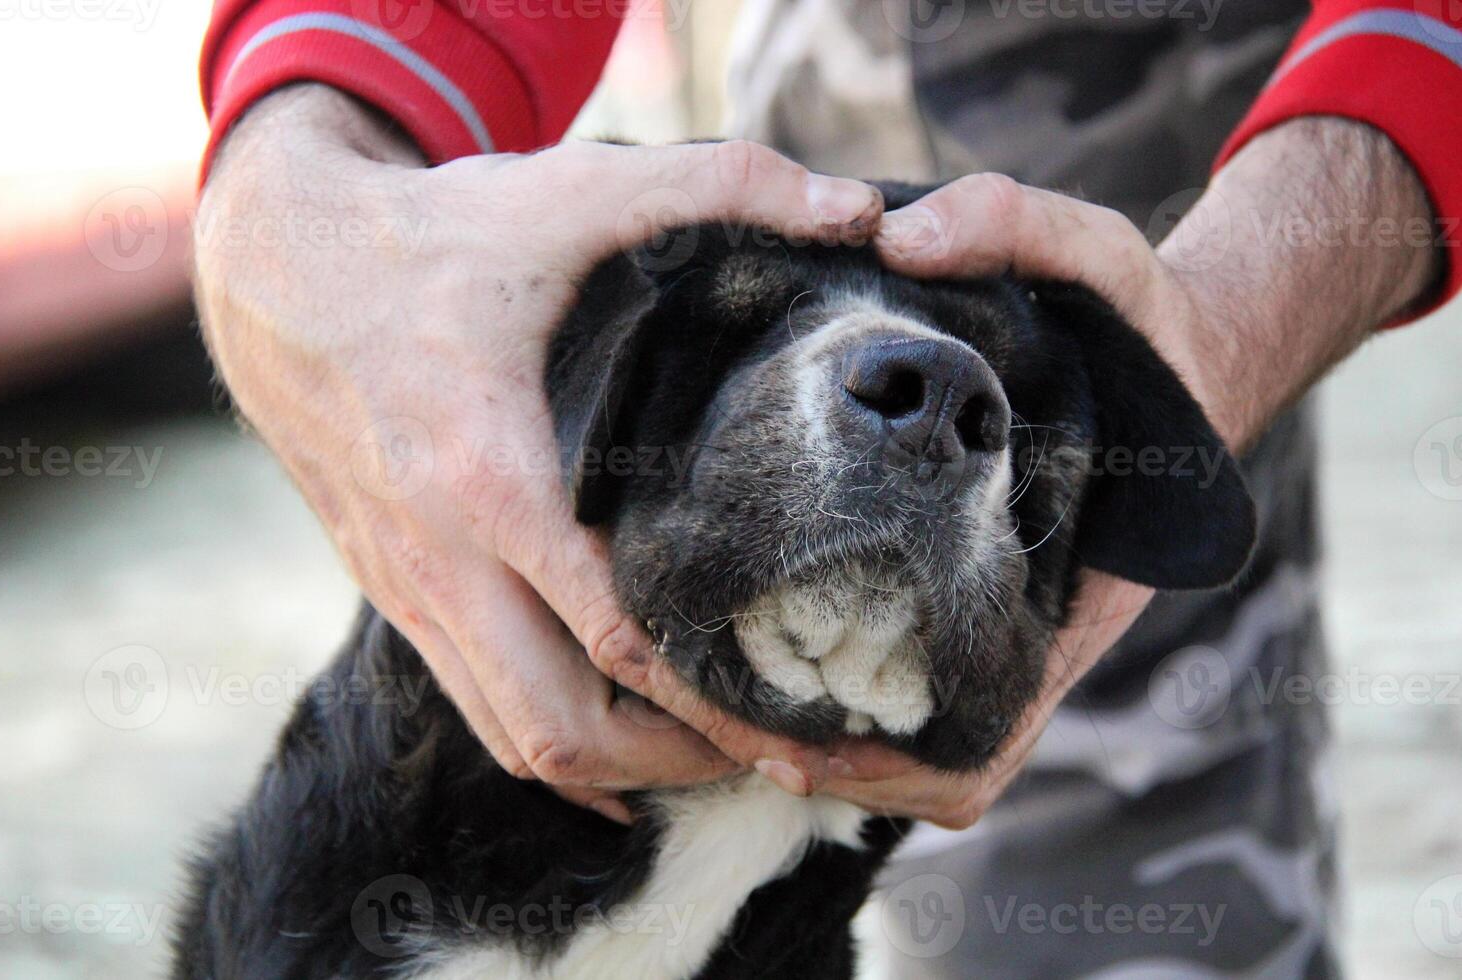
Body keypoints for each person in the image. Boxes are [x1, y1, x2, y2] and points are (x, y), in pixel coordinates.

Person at [194, 0, 1457, 973]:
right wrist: (300, 170)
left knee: (1124, 822)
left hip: (1173, 91)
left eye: (989, 414)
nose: (934, 406)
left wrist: (1231, 320)